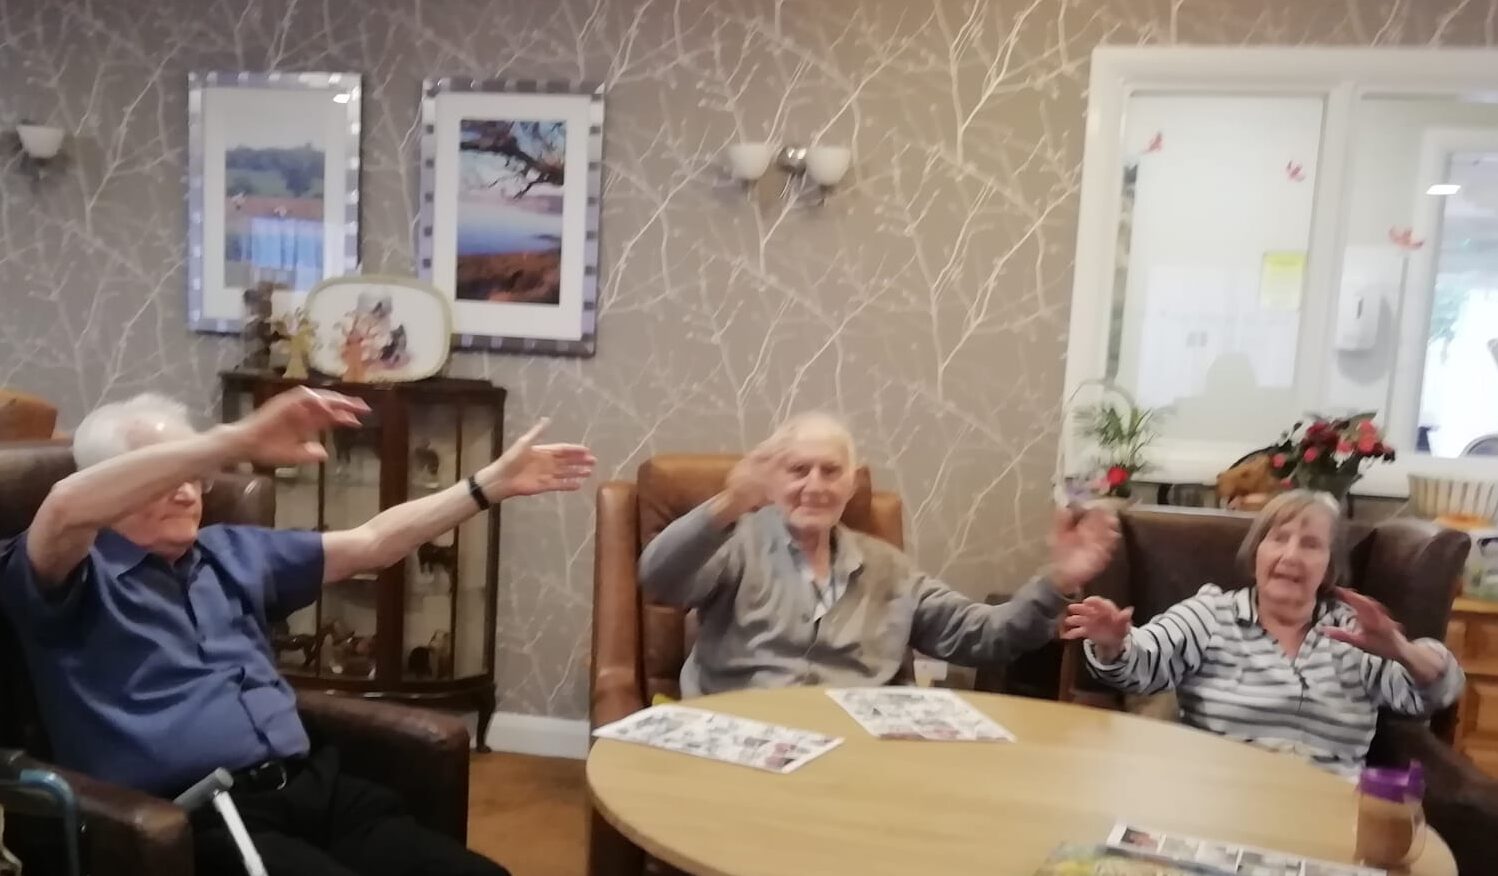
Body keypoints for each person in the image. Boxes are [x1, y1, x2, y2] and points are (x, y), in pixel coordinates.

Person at [0, 389, 595, 876]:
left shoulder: (230, 551)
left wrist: (485, 485)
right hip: (207, 810)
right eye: (166, 475)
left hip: (314, 785)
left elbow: (371, 544)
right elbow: (64, 507)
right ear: (113, 485)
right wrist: (232, 439)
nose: (187, 490)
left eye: (198, 474)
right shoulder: (62, 573)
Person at [638, 412, 1119, 696]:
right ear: (771, 479)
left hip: (857, 753)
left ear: (852, 482)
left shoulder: (887, 567)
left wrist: (1057, 580)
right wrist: (729, 503)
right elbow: (659, 581)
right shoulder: (736, 542)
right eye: (798, 469)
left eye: (831, 471)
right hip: (742, 740)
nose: (814, 485)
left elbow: (983, 637)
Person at [1062, 489, 1465, 778]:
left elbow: (1432, 694)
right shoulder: (1212, 614)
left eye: (1310, 545)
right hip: (1223, 802)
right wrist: (1114, 642)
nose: (1290, 556)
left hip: (1329, 815)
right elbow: (1143, 660)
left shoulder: (1357, 632)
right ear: (1257, 553)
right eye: (1278, 539)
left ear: (1329, 567)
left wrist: (1401, 651)